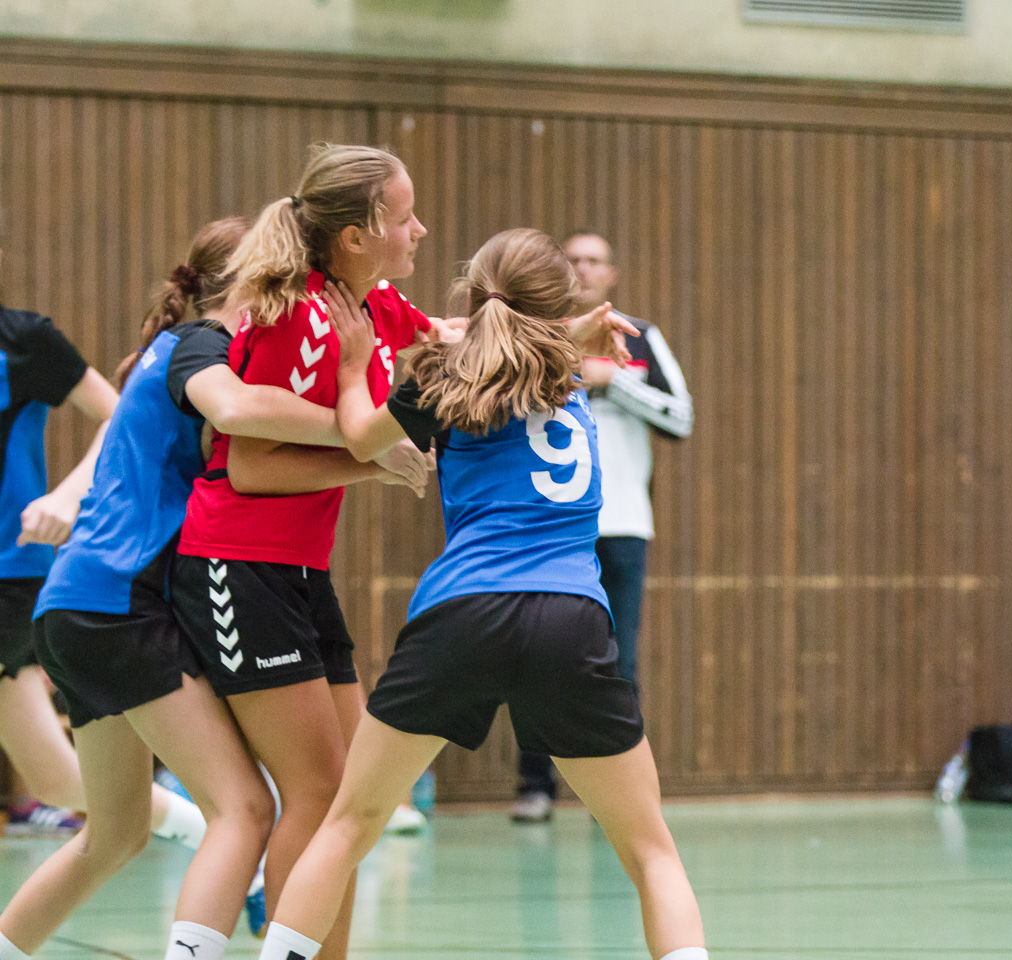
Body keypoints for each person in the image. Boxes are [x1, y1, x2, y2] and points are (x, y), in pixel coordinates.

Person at [253, 227, 708, 960]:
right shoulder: (570, 369)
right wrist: (579, 332)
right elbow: (532, 339)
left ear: (473, 294)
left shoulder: (443, 374)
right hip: (570, 618)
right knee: (653, 854)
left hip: (460, 612)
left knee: (347, 826)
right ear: (560, 306)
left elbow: (362, 437)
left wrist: (354, 367)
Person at [0, 216, 418, 960]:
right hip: (119, 604)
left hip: (74, 603)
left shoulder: (176, 351)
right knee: (245, 810)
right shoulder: (202, 349)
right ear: (256, 280)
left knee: (114, 835)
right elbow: (242, 416)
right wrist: (370, 436)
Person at [168, 144, 446, 960]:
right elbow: (250, 466)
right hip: (236, 565)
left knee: (353, 795)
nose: (421, 230)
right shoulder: (297, 315)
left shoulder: (372, 302)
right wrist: (373, 462)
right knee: (318, 791)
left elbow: (455, 339)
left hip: (299, 573)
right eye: (405, 218)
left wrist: (565, 339)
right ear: (355, 236)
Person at [0, 230, 204, 844]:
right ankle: (207, 828)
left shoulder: (23, 341)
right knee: (55, 778)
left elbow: (120, 417)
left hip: (9, 574)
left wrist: (66, 496)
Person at [513, 230, 693, 823]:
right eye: (573, 259)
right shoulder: (531, 337)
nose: (584, 269)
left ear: (611, 275)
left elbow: (681, 417)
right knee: (539, 657)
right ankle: (536, 787)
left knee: (617, 662)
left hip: (621, 524)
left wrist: (613, 379)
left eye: (595, 261)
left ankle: (616, 795)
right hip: (547, 525)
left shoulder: (637, 338)